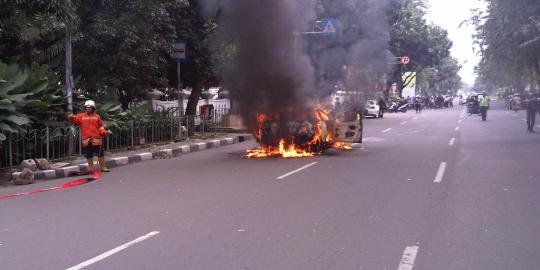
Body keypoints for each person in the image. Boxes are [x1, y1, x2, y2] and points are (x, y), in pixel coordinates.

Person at [69, 100, 110, 172]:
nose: (88, 109)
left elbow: (100, 126)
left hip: (96, 139)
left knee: (100, 153)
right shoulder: (81, 116)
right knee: (89, 154)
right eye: (86, 107)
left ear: (93, 108)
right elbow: (75, 120)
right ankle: (91, 168)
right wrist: (71, 117)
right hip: (86, 140)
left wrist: (103, 131)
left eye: (90, 107)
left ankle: (103, 167)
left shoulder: (97, 117)